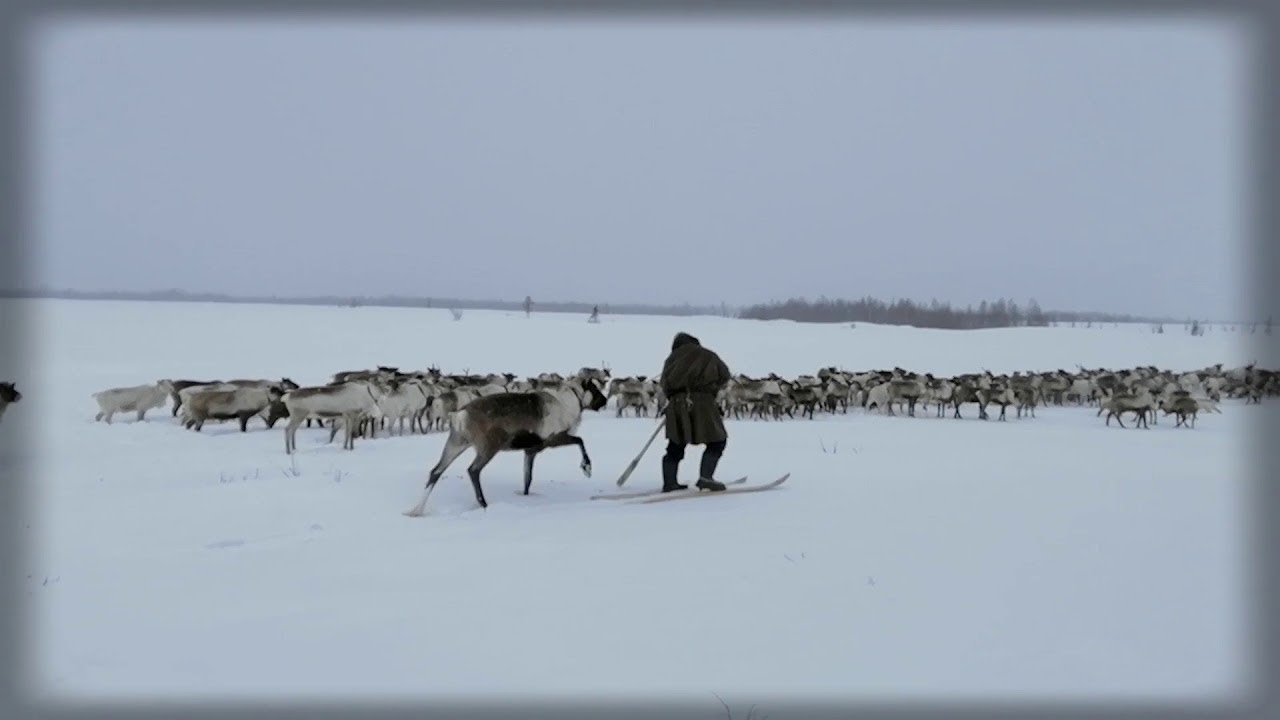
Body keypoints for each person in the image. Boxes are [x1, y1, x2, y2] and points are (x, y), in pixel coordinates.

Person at [659, 332, 730, 492]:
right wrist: (711, 388)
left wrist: (675, 397)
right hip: (704, 403)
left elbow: (665, 383)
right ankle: (706, 477)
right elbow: (725, 375)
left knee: (676, 443)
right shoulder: (708, 355)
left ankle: (669, 482)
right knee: (717, 440)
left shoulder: (672, 359)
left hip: (677, 403)